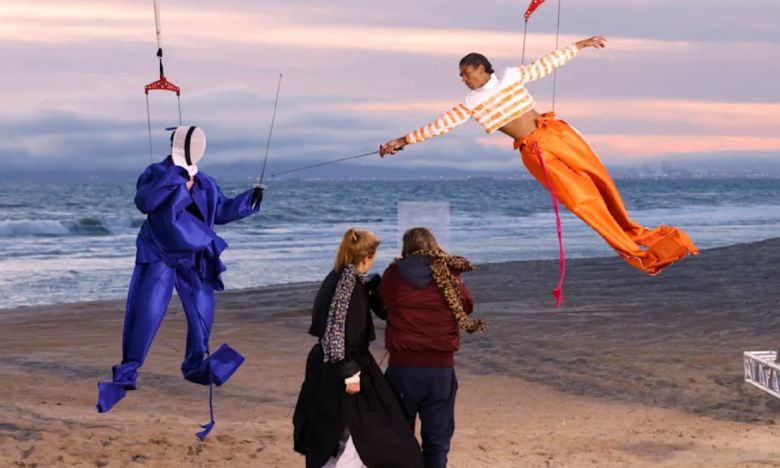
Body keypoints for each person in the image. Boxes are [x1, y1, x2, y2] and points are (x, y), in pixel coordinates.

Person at [379, 36, 698, 277]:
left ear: (481, 67)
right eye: (461, 76)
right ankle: (639, 250)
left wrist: (579, 46)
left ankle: (647, 235)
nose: (463, 79)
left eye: (466, 73)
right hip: (533, 151)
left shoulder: (510, 76)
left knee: (602, 185)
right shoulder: (469, 103)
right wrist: (403, 140)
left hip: (555, 132)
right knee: (581, 201)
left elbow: (545, 64)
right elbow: (440, 125)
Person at [96, 126, 263, 439]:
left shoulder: (206, 182)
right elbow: (144, 201)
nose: (200, 148)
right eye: (195, 143)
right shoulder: (156, 172)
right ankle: (126, 373)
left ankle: (196, 365)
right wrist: (177, 177)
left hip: (193, 257)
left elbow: (222, 211)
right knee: (144, 315)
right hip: (158, 254)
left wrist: (249, 200)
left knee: (202, 318)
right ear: (181, 145)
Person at [293, 228, 423, 468]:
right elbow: (335, 330)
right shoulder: (346, 283)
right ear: (366, 256)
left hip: (328, 367)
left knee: (338, 430)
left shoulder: (340, 276)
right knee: (361, 431)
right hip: (344, 367)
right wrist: (349, 371)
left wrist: (369, 286)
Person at [377, 227, 483, 468]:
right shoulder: (448, 274)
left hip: (402, 369)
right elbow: (466, 306)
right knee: (437, 440)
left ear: (406, 249)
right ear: (436, 248)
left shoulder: (394, 273)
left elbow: (382, 304)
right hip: (440, 370)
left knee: (400, 438)